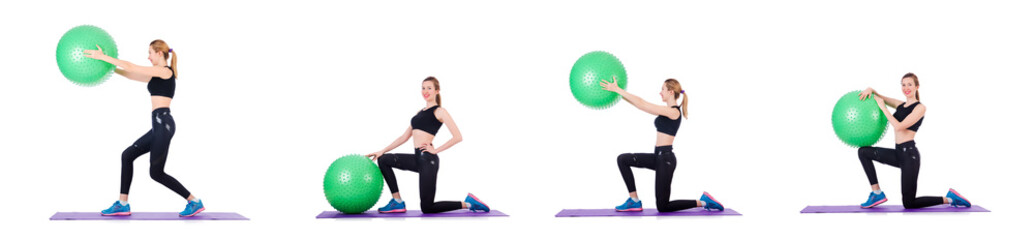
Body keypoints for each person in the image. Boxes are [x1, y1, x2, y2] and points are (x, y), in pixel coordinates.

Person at [366, 77, 490, 213]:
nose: (425, 91)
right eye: (423, 88)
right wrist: (382, 150)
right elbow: (404, 137)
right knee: (384, 159)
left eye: (429, 88)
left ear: (437, 91)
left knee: (427, 207)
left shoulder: (440, 111)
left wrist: (435, 150)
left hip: (428, 160)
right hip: (417, 158)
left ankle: (469, 204)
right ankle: (397, 202)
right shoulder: (419, 113)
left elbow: (457, 137)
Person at [600, 77, 724, 212]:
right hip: (658, 157)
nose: (660, 92)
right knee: (623, 159)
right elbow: (639, 105)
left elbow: (642, 104)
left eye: (663, 89)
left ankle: (703, 202)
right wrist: (617, 94)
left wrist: (618, 89)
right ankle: (634, 201)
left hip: (666, 160)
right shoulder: (666, 111)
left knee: (663, 206)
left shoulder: (674, 112)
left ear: (671, 92)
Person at [856, 72, 971, 209]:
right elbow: (881, 98)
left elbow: (899, 127)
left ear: (917, 86)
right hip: (898, 153)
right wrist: (871, 89)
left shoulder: (920, 108)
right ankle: (877, 193)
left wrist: (883, 108)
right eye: (903, 85)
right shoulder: (900, 105)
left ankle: (950, 199)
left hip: (910, 156)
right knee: (863, 152)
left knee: (909, 203)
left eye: (910, 84)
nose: (906, 88)